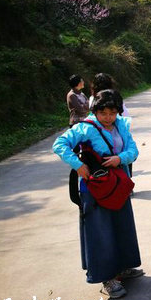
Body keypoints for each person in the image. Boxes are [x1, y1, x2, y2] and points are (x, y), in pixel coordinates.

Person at [53, 89, 143, 299]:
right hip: (94, 189)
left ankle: (124, 267)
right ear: (95, 111)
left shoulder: (122, 125)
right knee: (99, 232)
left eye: (112, 113)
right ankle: (107, 278)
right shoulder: (85, 127)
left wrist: (120, 158)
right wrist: (77, 165)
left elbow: (133, 150)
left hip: (118, 186)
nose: (108, 118)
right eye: (103, 113)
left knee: (122, 226)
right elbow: (59, 144)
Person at [66, 75, 90, 206]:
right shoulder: (71, 95)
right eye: (82, 80)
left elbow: (87, 106)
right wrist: (86, 105)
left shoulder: (81, 94)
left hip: (84, 123)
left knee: (85, 149)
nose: (83, 82)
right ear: (77, 83)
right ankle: (77, 169)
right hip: (76, 124)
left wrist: (86, 106)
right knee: (76, 151)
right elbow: (82, 109)